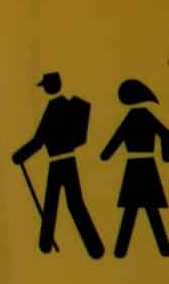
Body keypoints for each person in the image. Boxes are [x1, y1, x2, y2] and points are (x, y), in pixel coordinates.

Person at [11, 72, 105, 258]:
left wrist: (20, 156)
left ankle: (45, 245)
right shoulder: (68, 106)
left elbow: (38, 141)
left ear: (47, 88)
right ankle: (95, 248)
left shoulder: (52, 109)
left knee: (52, 204)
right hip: (70, 161)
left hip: (57, 164)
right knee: (75, 203)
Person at [99, 78, 169, 257]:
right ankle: (163, 249)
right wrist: (166, 157)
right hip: (147, 166)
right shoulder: (146, 116)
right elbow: (166, 134)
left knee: (132, 210)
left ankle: (121, 250)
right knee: (148, 209)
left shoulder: (132, 118)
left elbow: (116, 139)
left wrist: (106, 155)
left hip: (135, 167)